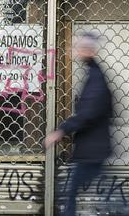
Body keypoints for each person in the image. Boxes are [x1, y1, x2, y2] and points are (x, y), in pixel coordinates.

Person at [44, 32, 113, 216]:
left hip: (92, 149)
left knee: (71, 191)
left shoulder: (96, 77)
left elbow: (87, 114)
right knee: (75, 191)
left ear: (88, 51)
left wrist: (60, 131)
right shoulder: (94, 73)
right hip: (92, 148)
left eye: (79, 47)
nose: (75, 51)